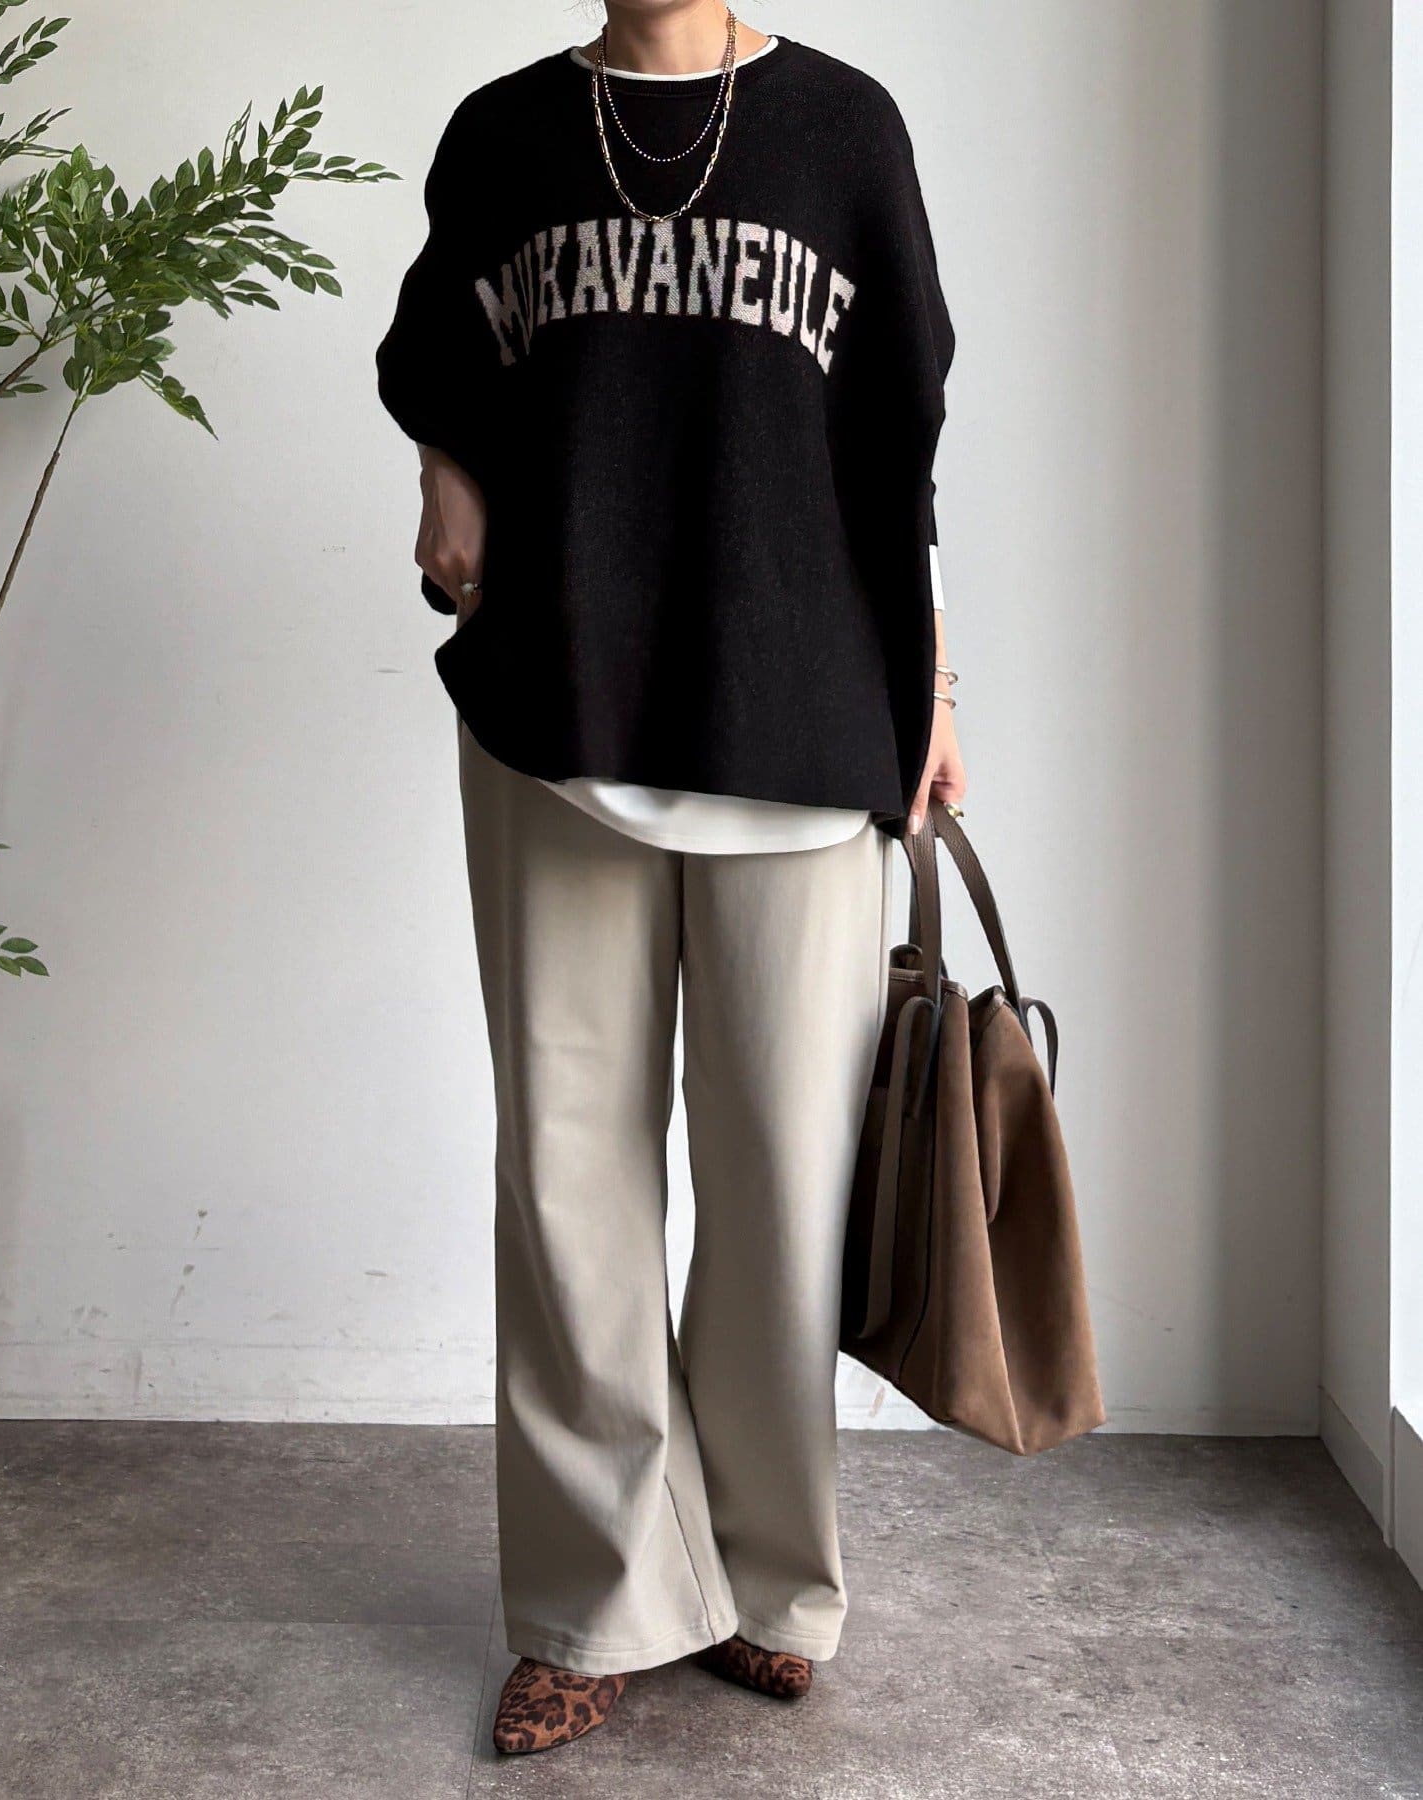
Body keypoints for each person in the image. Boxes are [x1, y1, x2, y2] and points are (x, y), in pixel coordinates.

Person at [377, 0, 962, 1757]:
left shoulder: (843, 129)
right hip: (558, 705)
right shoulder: (504, 132)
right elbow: (442, 363)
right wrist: (446, 475)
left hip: (807, 714)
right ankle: (596, 1597)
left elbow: (899, 439)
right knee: (568, 1175)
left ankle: (771, 1580)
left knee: (787, 1180)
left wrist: (937, 688)